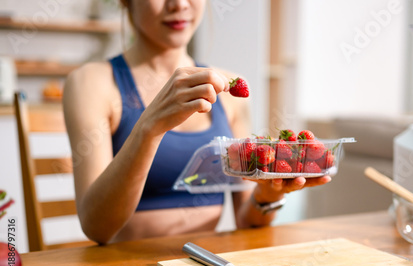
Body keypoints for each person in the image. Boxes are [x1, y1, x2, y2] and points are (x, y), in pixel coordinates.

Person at [62, 0, 331, 245]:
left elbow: (245, 220)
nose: (179, 4)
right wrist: (149, 127)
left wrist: (268, 197)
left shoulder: (229, 89)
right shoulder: (90, 83)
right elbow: (96, 228)